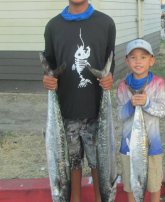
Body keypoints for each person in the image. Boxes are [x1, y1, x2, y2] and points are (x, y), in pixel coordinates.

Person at [42, 0, 116, 201]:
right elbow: (49, 63)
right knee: (72, 163)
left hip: (97, 111)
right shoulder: (53, 26)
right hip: (66, 109)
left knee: (98, 163)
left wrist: (110, 78)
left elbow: (111, 62)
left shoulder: (106, 23)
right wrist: (48, 79)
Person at [117, 39, 165, 202]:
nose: (138, 61)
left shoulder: (158, 83)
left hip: (152, 146)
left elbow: (162, 110)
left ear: (151, 60)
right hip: (128, 147)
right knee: (132, 184)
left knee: (153, 184)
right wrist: (131, 105)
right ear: (127, 61)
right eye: (133, 57)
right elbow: (120, 115)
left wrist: (146, 103)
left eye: (143, 57)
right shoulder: (123, 86)